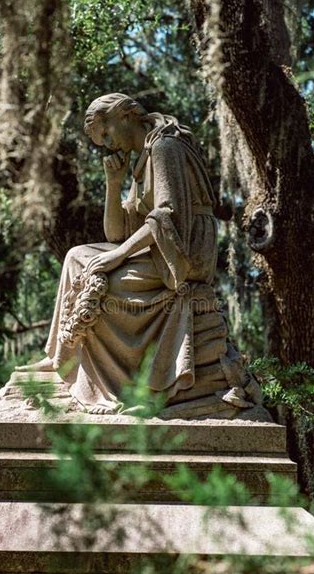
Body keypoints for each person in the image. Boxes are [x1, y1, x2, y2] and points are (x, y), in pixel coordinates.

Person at [16, 93, 265, 418]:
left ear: (126, 114)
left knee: (100, 273)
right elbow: (116, 234)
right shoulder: (142, 160)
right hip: (161, 250)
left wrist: (117, 256)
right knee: (77, 256)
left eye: (106, 133)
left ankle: (70, 361)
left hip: (183, 253)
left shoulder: (165, 148)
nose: (107, 144)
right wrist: (113, 182)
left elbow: (168, 215)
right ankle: (60, 355)